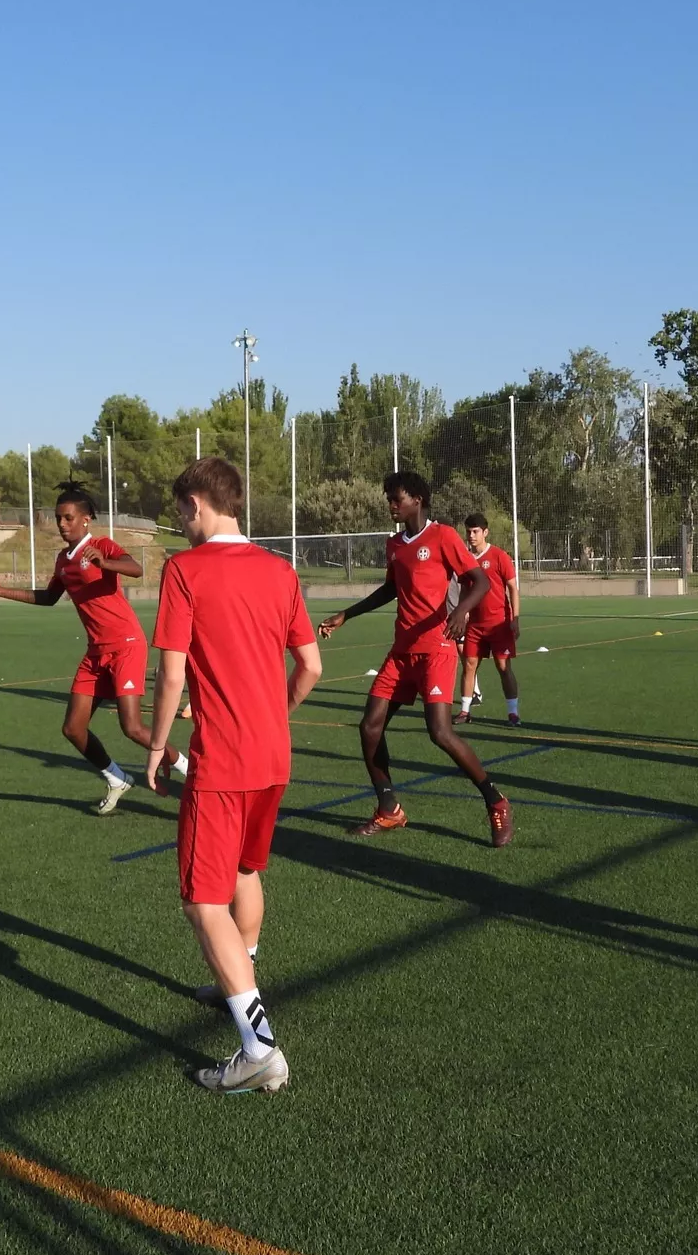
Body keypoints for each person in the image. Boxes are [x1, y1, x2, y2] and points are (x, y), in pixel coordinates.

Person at [146, 457, 322, 1095]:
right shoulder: (280, 569)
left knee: (201, 900)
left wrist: (158, 744)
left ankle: (258, 1047)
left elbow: (169, 676)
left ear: (196, 504)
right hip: (274, 756)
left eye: (178, 510)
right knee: (246, 870)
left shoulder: (184, 571)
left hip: (221, 761)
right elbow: (310, 666)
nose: (176, 522)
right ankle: (237, 977)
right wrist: (274, 714)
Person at [316, 472, 514, 848]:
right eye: (389, 497)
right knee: (369, 727)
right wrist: (347, 613)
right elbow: (391, 588)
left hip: (436, 649)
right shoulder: (395, 545)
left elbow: (480, 582)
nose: (391, 503)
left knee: (440, 732)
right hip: (401, 652)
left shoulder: (442, 537)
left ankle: (496, 800)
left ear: (418, 499)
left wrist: (461, 613)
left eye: (397, 497)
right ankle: (389, 808)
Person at [0, 485, 187, 813]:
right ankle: (117, 779)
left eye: (68, 518)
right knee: (73, 728)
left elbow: (135, 568)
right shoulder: (63, 559)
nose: (62, 523)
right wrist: (2, 591)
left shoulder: (100, 545)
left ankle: (191, 771)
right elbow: (48, 598)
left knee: (131, 727)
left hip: (126, 645)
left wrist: (105, 562)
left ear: (86, 520)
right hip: (96, 652)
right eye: (58, 518)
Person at [455, 512, 521, 726]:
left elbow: (512, 587)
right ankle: (465, 711)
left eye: (475, 531)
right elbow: (465, 589)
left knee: (503, 666)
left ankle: (513, 713)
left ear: (485, 532)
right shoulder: (465, 559)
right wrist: (462, 612)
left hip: (498, 623)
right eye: (468, 531)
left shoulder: (499, 556)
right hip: (474, 625)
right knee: (469, 665)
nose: (471, 536)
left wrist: (515, 618)